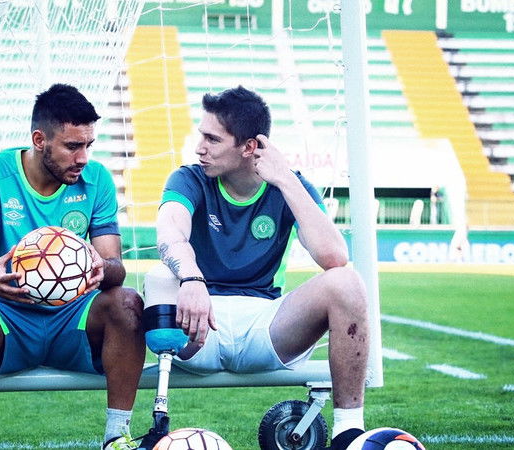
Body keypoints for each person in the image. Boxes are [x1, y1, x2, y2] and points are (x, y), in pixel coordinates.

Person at [146, 86, 369, 450]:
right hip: (199, 326)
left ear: (249, 147)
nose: (199, 148)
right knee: (159, 276)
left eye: (212, 139)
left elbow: (334, 257)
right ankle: (152, 426)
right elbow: (169, 233)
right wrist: (191, 278)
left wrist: (285, 179)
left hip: (267, 328)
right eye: (202, 135)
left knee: (347, 282)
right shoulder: (189, 178)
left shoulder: (291, 185)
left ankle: (349, 433)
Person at [0, 84, 145, 450]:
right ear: (39, 140)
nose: (83, 157)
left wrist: (102, 268)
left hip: (74, 321)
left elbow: (115, 267)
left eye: (89, 145)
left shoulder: (97, 179)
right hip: (8, 321)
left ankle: (117, 436)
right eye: (73, 146)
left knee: (127, 301)